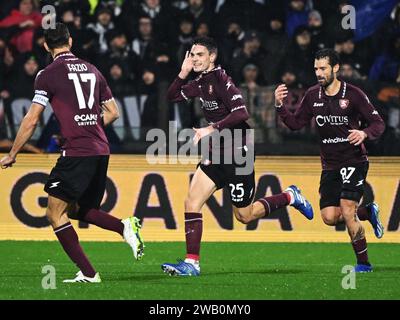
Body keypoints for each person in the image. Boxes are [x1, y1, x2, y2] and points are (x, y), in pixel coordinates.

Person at [0, 23, 144, 283]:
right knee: (79, 209)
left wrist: (13, 153)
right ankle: (124, 227)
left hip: (77, 151)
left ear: (45, 46)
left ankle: (89, 273)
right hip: (100, 149)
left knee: (54, 213)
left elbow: (32, 119)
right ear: (71, 41)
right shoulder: (93, 70)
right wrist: (87, 127)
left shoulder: (47, 74)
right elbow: (113, 112)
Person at [161, 36, 314, 276]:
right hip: (215, 153)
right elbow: (172, 96)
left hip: (238, 154)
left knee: (244, 215)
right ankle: (192, 263)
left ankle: (289, 197)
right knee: (191, 202)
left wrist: (210, 129)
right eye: (192, 55)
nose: (195, 59)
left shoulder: (221, 79)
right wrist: (183, 72)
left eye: (199, 55)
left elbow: (241, 112)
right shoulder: (200, 82)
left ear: (212, 57)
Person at [274, 48, 385, 273]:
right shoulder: (313, 95)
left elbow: (378, 124)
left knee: (346, 208)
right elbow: (295, 124)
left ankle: (363, 264)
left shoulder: (354, 94)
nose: (318, 73)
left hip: (354, 160)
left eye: (323, 68)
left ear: (335, 68)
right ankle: (368, 212)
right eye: (316, 68)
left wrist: (364, 134)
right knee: (329, 216)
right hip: (330, 164)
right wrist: (279, 106)